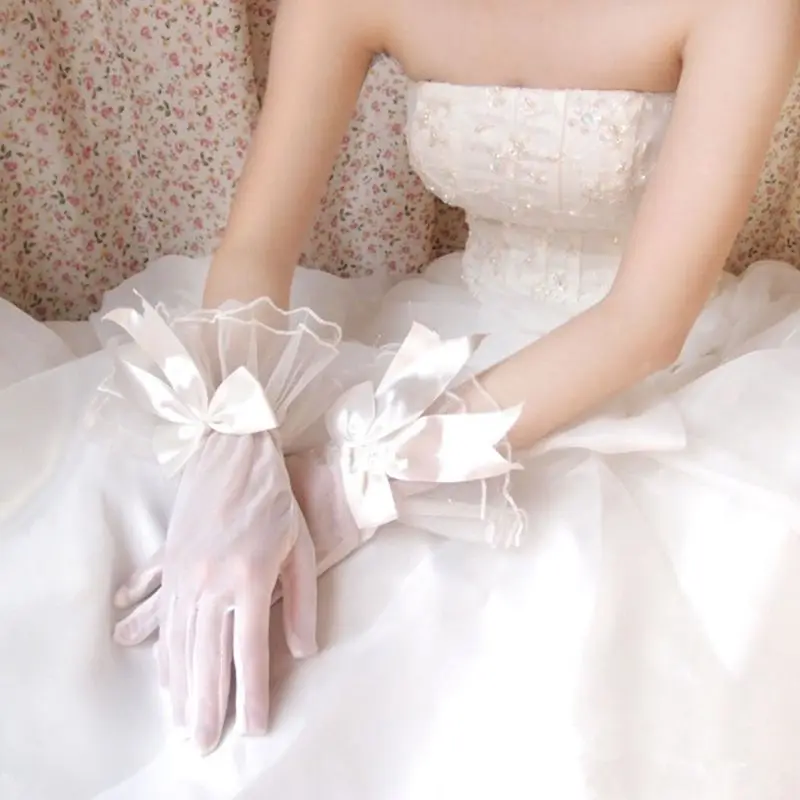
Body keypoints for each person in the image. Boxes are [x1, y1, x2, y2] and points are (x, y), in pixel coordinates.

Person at [1, 0, 800, 797]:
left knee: (469, 602)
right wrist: (234, 433)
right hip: (452, 334)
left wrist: (363, 474)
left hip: (646, 373)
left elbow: (643, 328)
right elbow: (254, 249)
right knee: (136, 508)